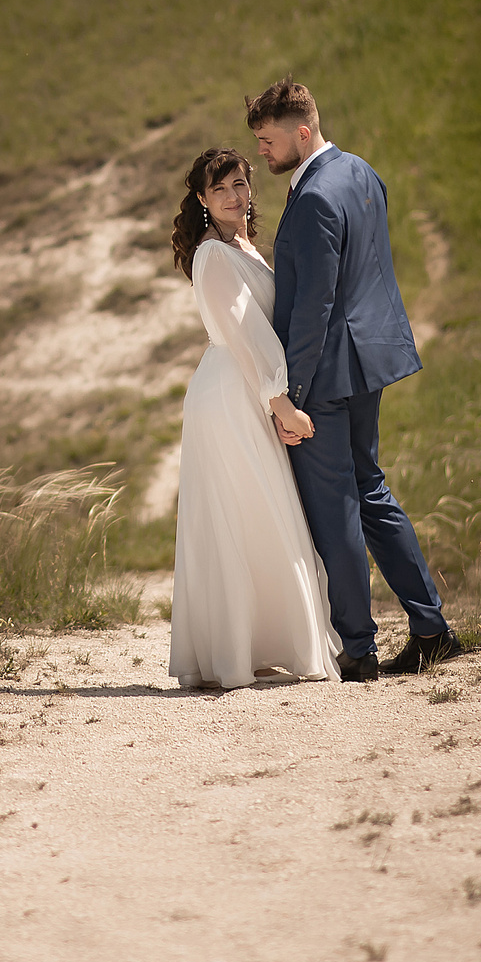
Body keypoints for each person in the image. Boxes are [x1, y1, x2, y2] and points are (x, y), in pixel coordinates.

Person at [249, 79, 457, 681]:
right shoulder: (361, 172)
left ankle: (359, 650)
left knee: (336, 505)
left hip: (328, 373)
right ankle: (431, 627)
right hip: (370, 363)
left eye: (268, 139)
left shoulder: (312, 197)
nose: (262, 151)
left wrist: (294, 394)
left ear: (303, 132)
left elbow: (313, 305)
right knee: (370, 490)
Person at [164, 147, 342, 690]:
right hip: (231, 391)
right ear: (202, 200)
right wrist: (279, 400)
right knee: (247, 513)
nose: (236, 196)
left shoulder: (243, 247)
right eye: (220, 190)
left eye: (241, 184)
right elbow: (247, 334)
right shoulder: (212, 255)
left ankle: (259, 642)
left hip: (246, 386)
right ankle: (234, 650)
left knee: (260, 514)